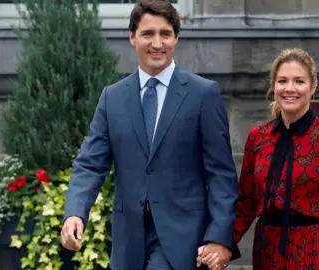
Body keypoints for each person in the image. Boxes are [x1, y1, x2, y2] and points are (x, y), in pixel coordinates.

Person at [60, 0, 238, 269]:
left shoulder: (203, 94)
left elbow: (221, 174)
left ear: (176, 38)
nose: (157, 43)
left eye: (165, 34)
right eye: (147, 34)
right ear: (132, 37)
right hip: (128, 240)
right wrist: (75, 212)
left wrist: (220, 237)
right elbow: (90, 163)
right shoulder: (113, 98)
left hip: (182, 238)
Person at [198, 48, 319, 269]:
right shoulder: (258, 138)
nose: (290, 88)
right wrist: (220, 243)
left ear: (313, 86)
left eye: (299, 81)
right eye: (282, 81)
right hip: (267, 250)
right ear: (274, 86)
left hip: (315, 250)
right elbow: (246, 203)